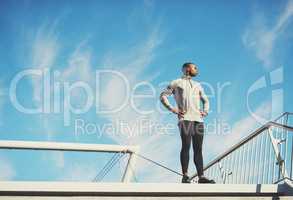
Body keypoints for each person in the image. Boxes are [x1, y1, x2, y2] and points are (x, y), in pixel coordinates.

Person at [160, 62, 215, 184]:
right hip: (185, 119)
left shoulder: (198, 85)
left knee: (198, 149)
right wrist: (172, 109)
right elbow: (163, 96)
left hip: (198, 120)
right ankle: (185, 176)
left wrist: (205, 111)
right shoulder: (177, 82)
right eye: (194, 67)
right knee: (186, 146)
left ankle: (201, 177)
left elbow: (205, 100)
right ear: (186, 69)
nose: (197, 69)